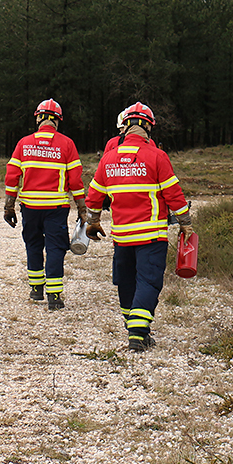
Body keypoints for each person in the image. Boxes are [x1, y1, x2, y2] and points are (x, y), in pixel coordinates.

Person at [84, 102, 194, 352]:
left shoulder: (109, 157)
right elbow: (174, 194)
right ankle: (137, 332)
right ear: (148, 127)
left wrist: (92, 222)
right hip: (151, 235)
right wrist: (185, 223)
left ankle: (132, 325)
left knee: (126, 281)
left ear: (126, 127)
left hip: (122, 236)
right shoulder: (157, 156)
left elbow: (94, 195)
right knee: (148, 281)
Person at [3, 98, 86, 310]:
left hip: (29, 207)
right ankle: (55, 295)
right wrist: (82, 208)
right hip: (55, 208)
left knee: (33, 244)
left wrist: (9, 206)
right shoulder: (67, 144)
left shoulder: (24, 143)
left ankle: (36, 289)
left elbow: (12, 176)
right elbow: (75, 180)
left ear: (39, 118)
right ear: (57, 121)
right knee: (56, 248)